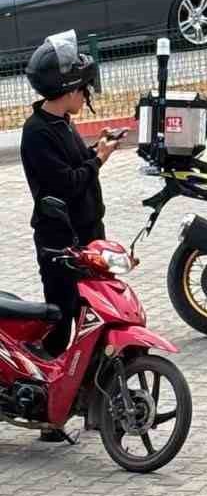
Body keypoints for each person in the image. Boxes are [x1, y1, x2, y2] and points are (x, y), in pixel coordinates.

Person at [20, 31, 120, 365]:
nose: (85, 96)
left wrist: (95, 150)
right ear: (69, 91)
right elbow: (66, 184)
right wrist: (99, 160)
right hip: (61, 242)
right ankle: (40, 377)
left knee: (96, 313)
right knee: (62, 321)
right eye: (84, 90)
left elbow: (73, 165)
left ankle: (91, 378)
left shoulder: (62, 122)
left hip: (87, 234)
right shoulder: (37, 132)